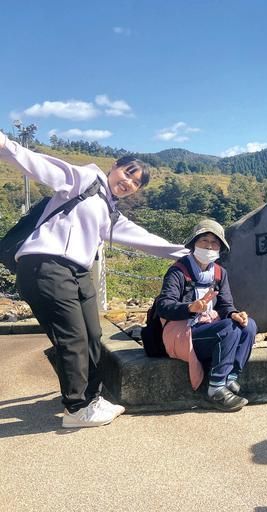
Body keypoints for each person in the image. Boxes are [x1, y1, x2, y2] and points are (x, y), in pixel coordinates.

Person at [0, 131, 188, 428]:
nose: (128, 182)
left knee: (92, 335)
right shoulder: (83, 179)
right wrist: (5, 145)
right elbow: (37, 164)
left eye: (136, 182)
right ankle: (76, 409)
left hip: (78, 272)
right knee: (72, 337)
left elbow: (143, 239)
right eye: (128, 173)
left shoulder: (110, 212)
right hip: (46, 265)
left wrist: (189, 254)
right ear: (114, 167)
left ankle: (91, 397)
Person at [156, 219, 256, 412]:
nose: (209, 246)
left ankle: (230, 377)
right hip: (182, 332)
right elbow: (164, 306)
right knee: (228, 329)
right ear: (194, 243)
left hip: (208, 327)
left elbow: (226, 305)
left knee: (248, 325)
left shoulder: (220, 273)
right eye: (204, 240)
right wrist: (190, 308)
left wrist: (235, 314)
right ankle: (216, 389)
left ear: (220, 248)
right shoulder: (178, 271)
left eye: (214, 242)